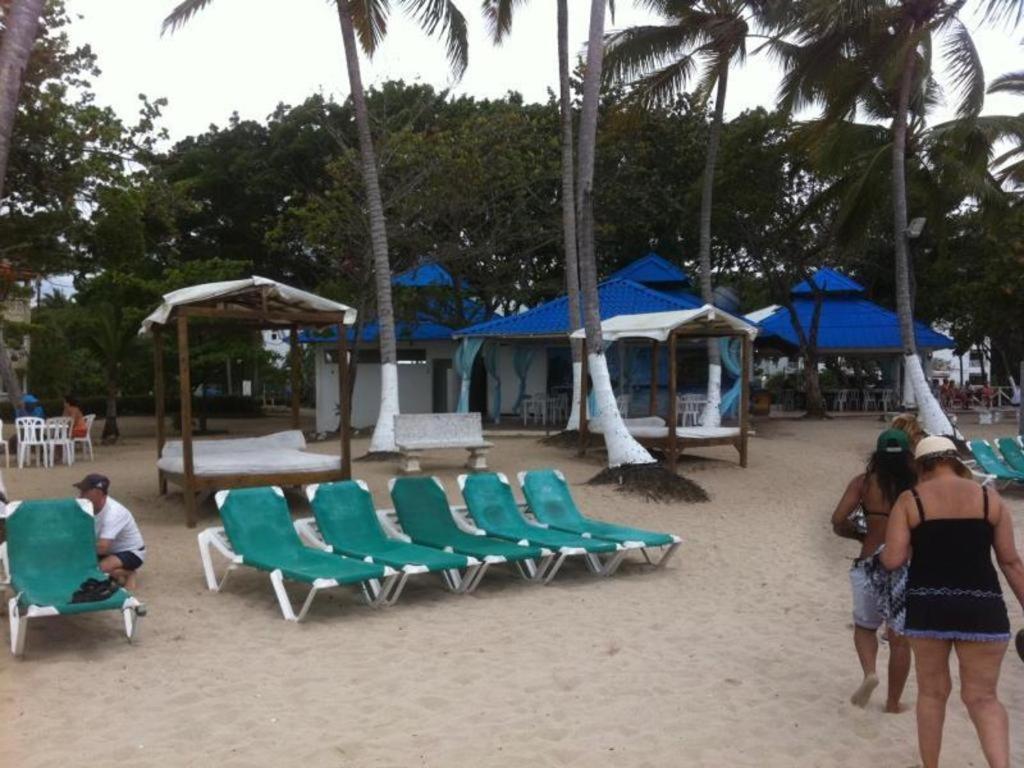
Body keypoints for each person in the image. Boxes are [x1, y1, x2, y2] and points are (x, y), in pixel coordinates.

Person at [882, 436, 1024, 768]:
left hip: (928, 607)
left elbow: (893, 559)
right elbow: (1010, 562)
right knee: (983, 698)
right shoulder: (989, 499)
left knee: (932, 694)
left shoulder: (911, 499)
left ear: (921, 465)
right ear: (956, 461)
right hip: (983, 607)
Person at [830, 428, 915, 711]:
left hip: (868, 561)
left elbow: (838, 520)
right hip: (904, 563)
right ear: (907, 455)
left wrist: (859, 535)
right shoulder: (917, 483)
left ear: (877, 454)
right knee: (900, 639)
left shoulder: (864, 483)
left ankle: (869, 673)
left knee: (865, 627)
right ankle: (892, 702)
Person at [74, 473, 145, 590]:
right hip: (107, 551)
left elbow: (102, 547)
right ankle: (116, 574)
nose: (80, 496)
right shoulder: (87, 507)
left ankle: (129, 573)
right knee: (78, 567)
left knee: (93, 571)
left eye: (85, 492)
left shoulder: (114, 512)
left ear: (98, 493)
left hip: (131, 552)